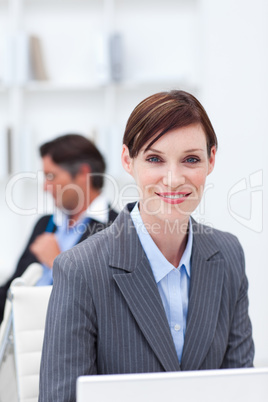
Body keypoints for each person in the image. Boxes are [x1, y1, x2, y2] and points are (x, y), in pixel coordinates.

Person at [39, 90, 254, 401]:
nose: (173, 179)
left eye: (191, 159)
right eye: (155, 159)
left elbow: (240, 389)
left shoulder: (228, 254)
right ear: (128, 160)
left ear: (212, 160)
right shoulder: (81, 269)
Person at [0, 134, 118, 323]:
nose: (45, 187)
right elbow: (12, 287)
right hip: (21, 338)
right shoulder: (46, 224)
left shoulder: (117, 229)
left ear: (82, 173)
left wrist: (57, 263)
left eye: (51, 176)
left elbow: (108, 305)